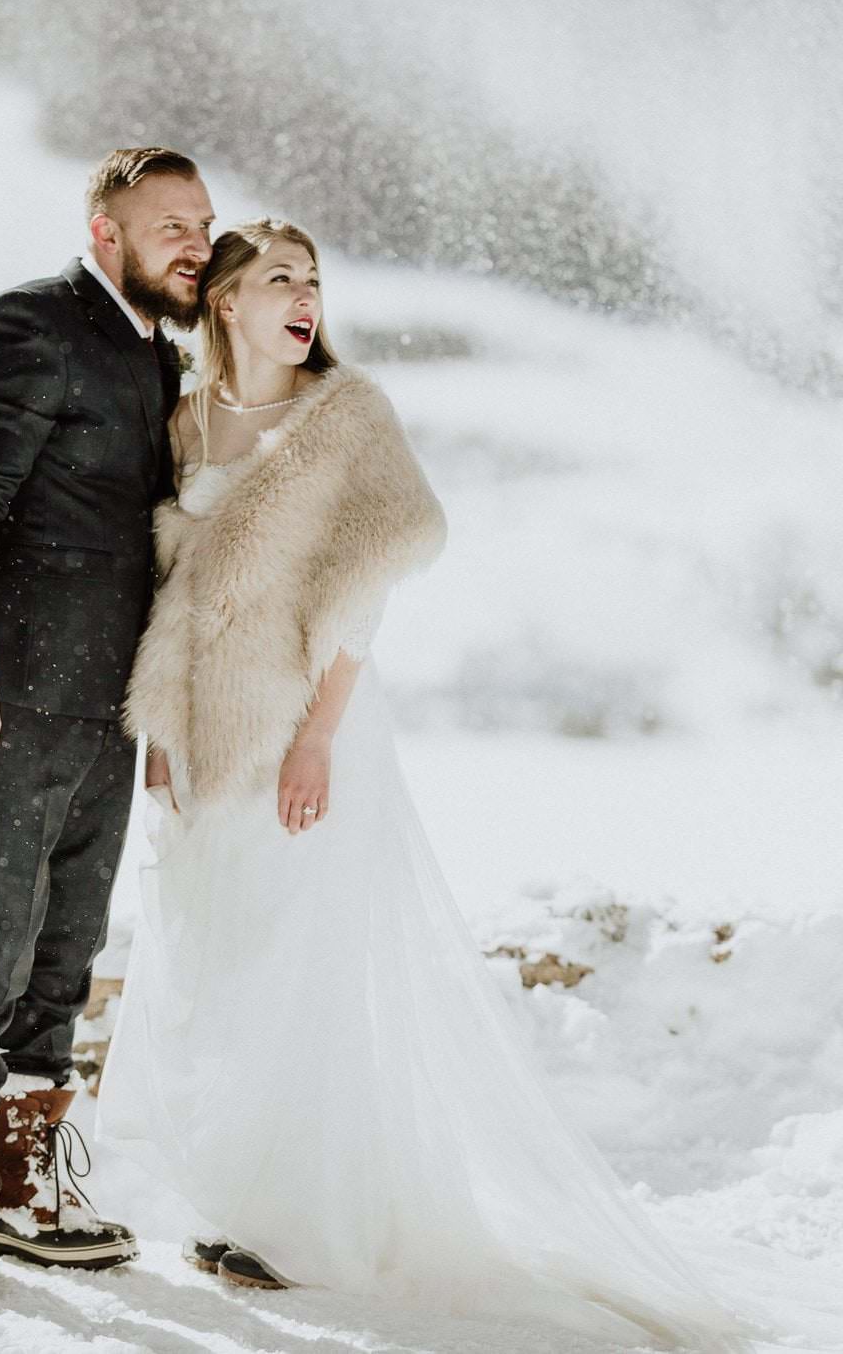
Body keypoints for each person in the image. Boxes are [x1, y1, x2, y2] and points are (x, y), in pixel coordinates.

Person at [95, 219, 749, 1352]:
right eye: (280, 281)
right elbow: (178, 590)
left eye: (314, 282)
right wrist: (162, 722)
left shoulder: (347, 417)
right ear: (229, 303)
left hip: (311, 730)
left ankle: (308, 1222)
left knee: (305, 966)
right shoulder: (188, 418)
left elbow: (368, 588)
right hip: (202, 735)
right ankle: (239, 1205)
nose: (303, 299)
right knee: (218, 958)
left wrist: (314, 738)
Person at [0, 147, 216, 1306]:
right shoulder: (31, 320)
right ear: (104, 233)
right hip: (7, 683)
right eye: (168, 222)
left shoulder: (160, 357)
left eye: (203, 221)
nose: (192, 239)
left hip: (110, 699)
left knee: (68, 946)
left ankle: (22, 1182)